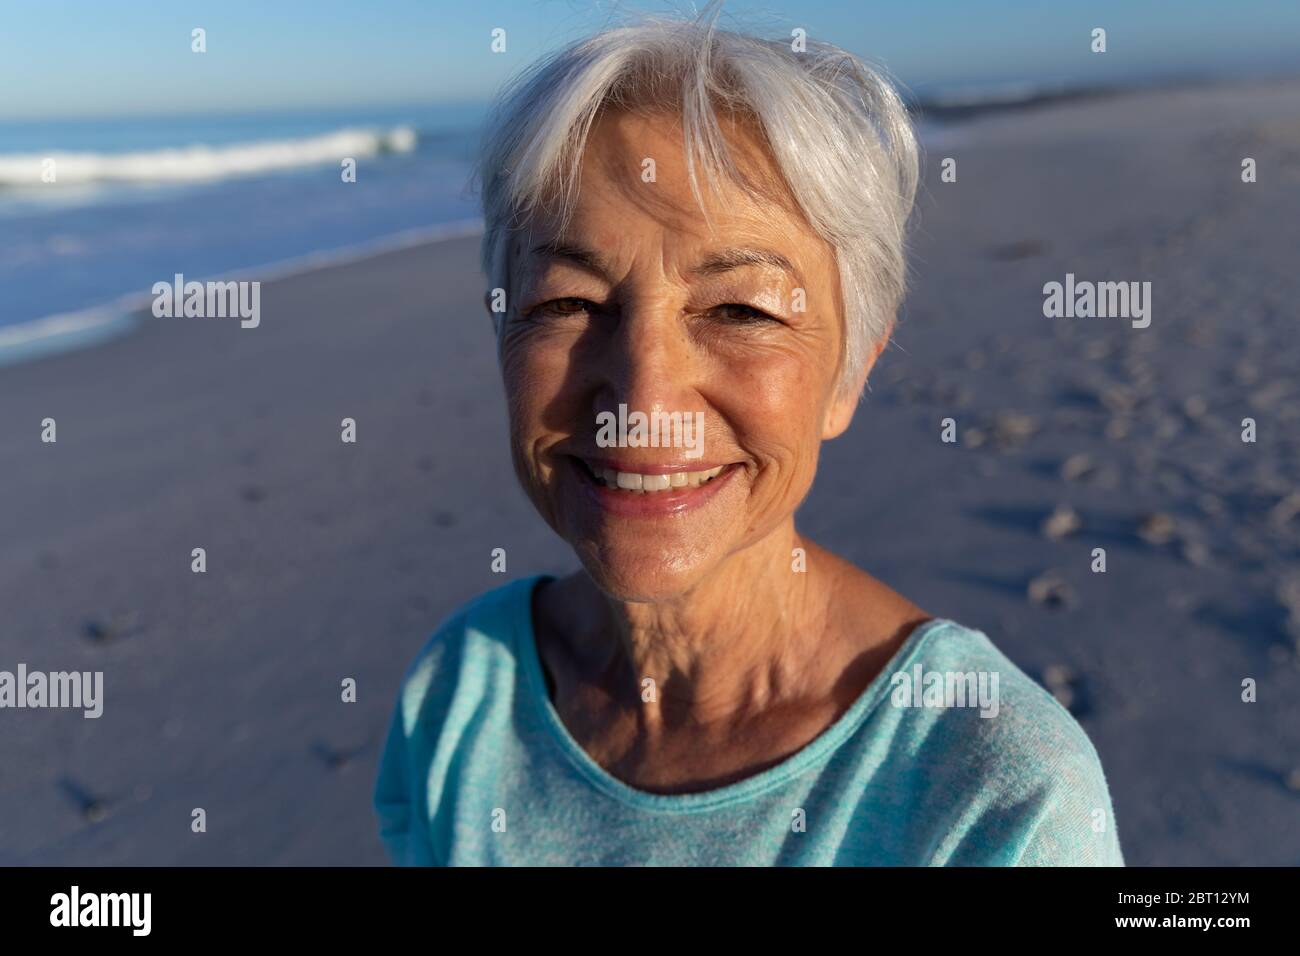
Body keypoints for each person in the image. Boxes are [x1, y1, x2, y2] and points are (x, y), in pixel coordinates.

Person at [374, 8, 1124, 866]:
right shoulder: (461, 700)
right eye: (568, 303)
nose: (644, 399)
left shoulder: (990, 791)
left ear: (850, 372)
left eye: (740, 310)